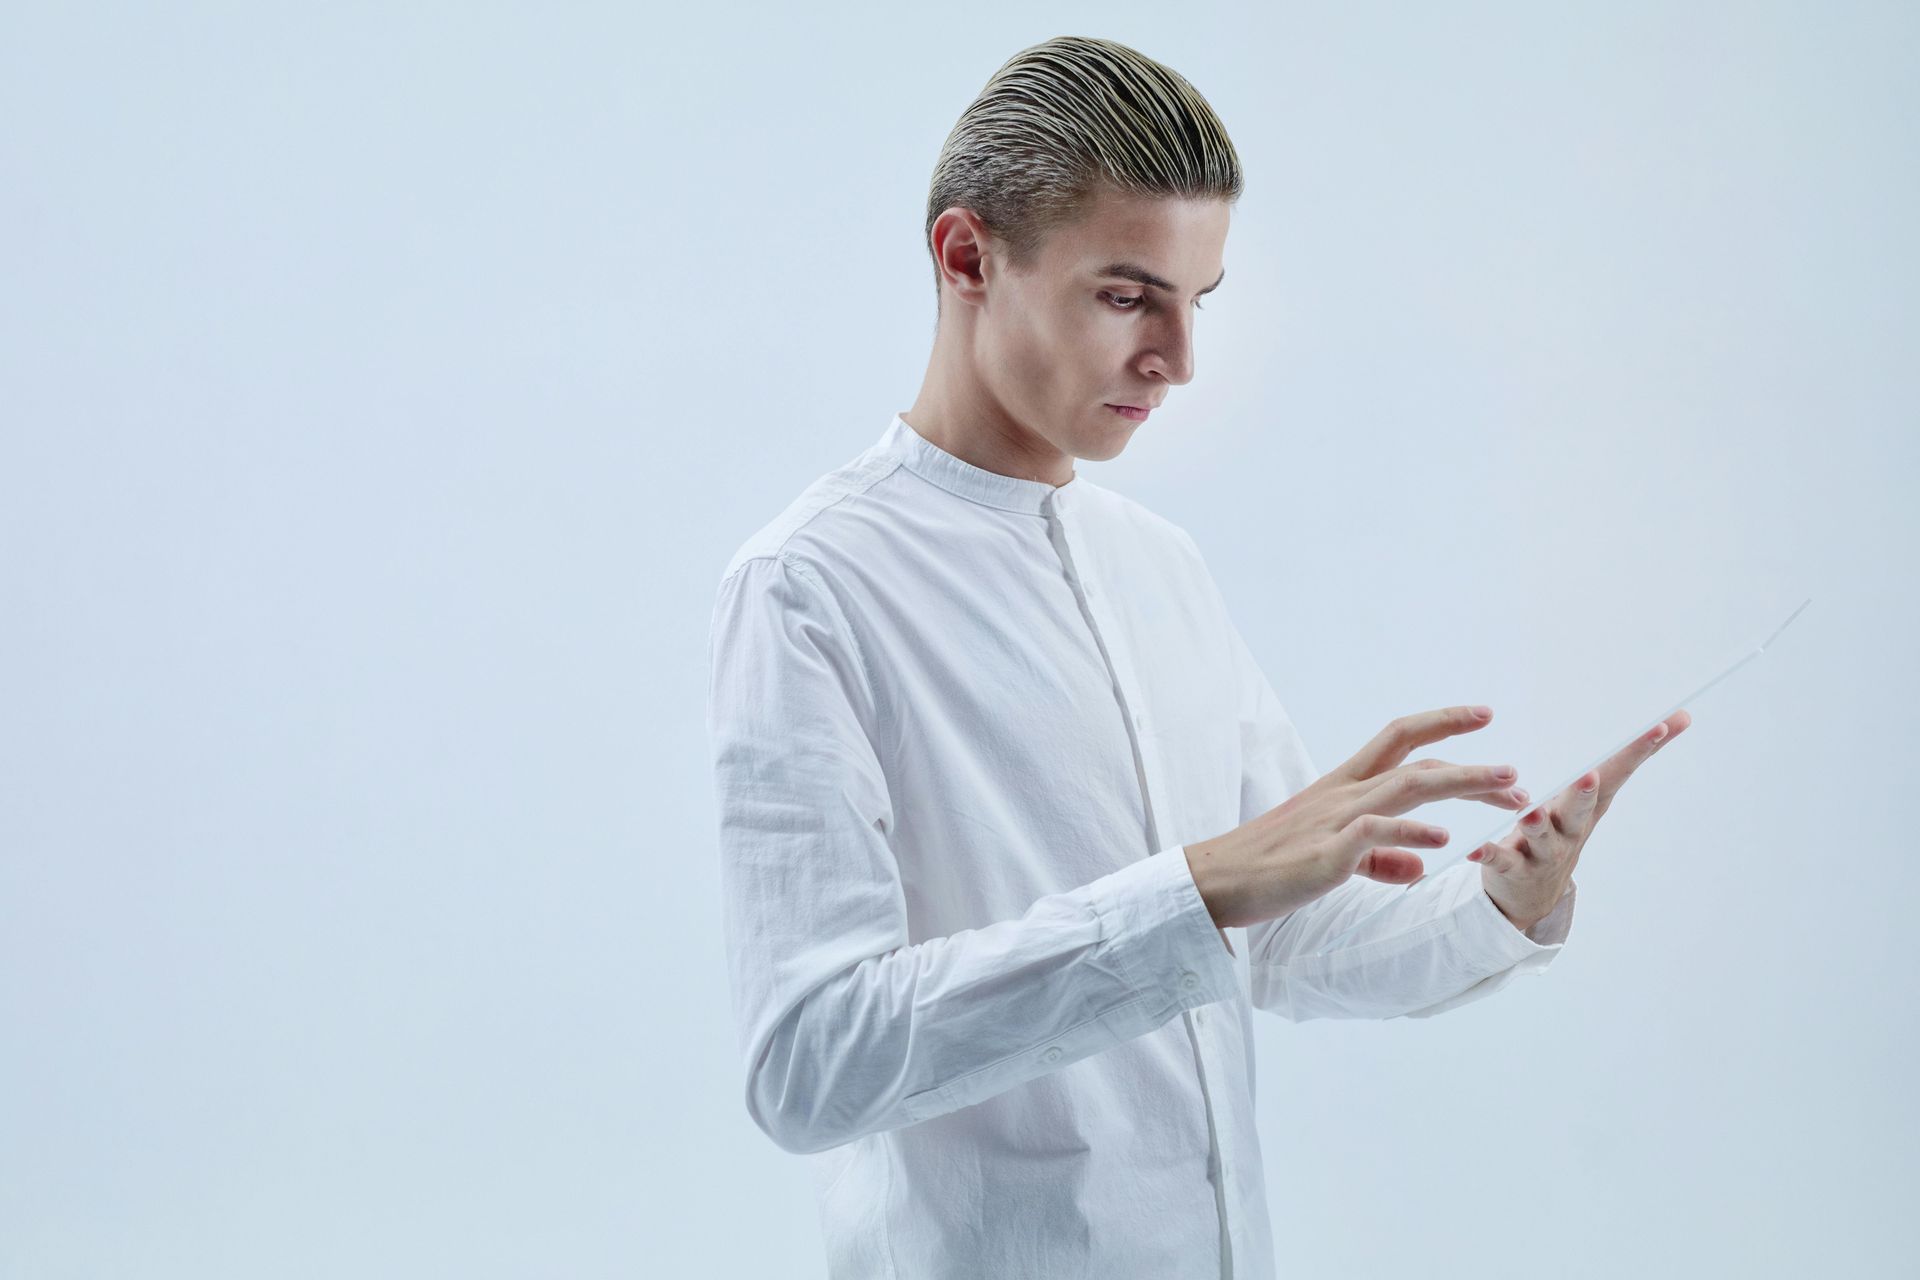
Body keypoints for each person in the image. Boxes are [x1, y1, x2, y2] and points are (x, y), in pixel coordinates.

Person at [704, 34, 1689, 1279]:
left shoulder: (1158, 564)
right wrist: (1196, 887)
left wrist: (1503, 902)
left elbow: (1278, 938)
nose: (1177, 359)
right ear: (966, 258)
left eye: (1197, 299)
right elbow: (810, 1063)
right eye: (1128, 297)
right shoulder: (807, 587)